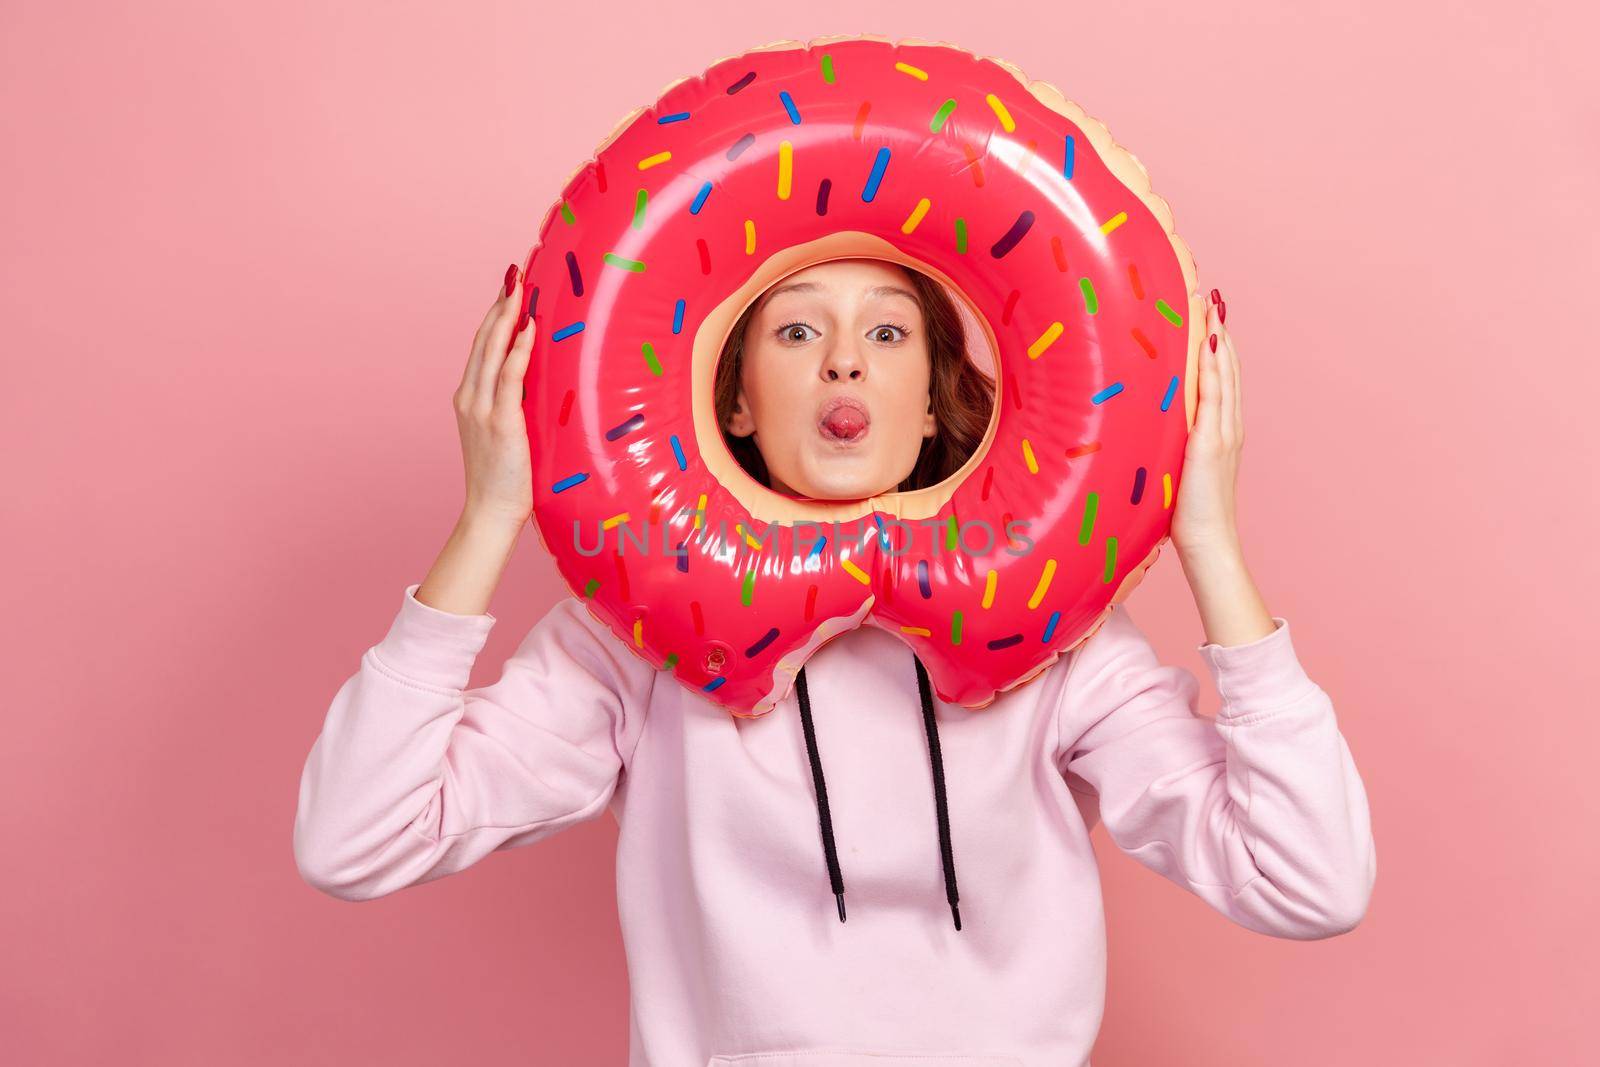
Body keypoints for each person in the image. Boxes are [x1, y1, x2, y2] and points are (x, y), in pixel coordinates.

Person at [293, 256, 1376, 1067]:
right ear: (733, 401)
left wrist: (1209, 548)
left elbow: (1311, 879)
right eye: (798, 329)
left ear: (934, 402)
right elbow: (354, 838)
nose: (845, 357)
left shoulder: (1055, 633)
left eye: (891, 333)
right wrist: (490, 518)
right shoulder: (635, 631)